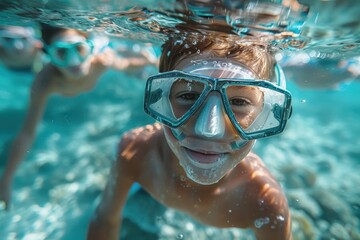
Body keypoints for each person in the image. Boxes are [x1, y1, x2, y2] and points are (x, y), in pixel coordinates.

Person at [87, 33, 293, 240]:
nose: (209, 130)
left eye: (238, 102)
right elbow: (105, 220)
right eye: (189, 95)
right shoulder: (134, 152)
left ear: (265, 114)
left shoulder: (265, 202)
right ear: (162, 102)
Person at [0, 24, 157, 210]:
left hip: (102, 48)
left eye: (79, 49)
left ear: (88, 48)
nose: (73, 62)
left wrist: (153, 63)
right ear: (49, 56)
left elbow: (126, 64)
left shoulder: (101, 61)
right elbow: (27, 133)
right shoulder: (44, 82)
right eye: (61, 53)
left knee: (134, 70)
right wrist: (6, 181)